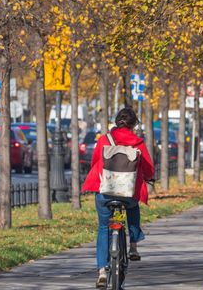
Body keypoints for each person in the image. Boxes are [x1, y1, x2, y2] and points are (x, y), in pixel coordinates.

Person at [82, 107, 155, 287]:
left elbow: (94, 162)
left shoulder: (104, 140)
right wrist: (149, 177)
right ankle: (133, 245)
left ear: (116, 122)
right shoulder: (137, 143)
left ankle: (101, 271)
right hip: (128, 194)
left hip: (105, 192)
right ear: (133, 125)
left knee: (103, 228)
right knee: (132, 209)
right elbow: (148, 169)